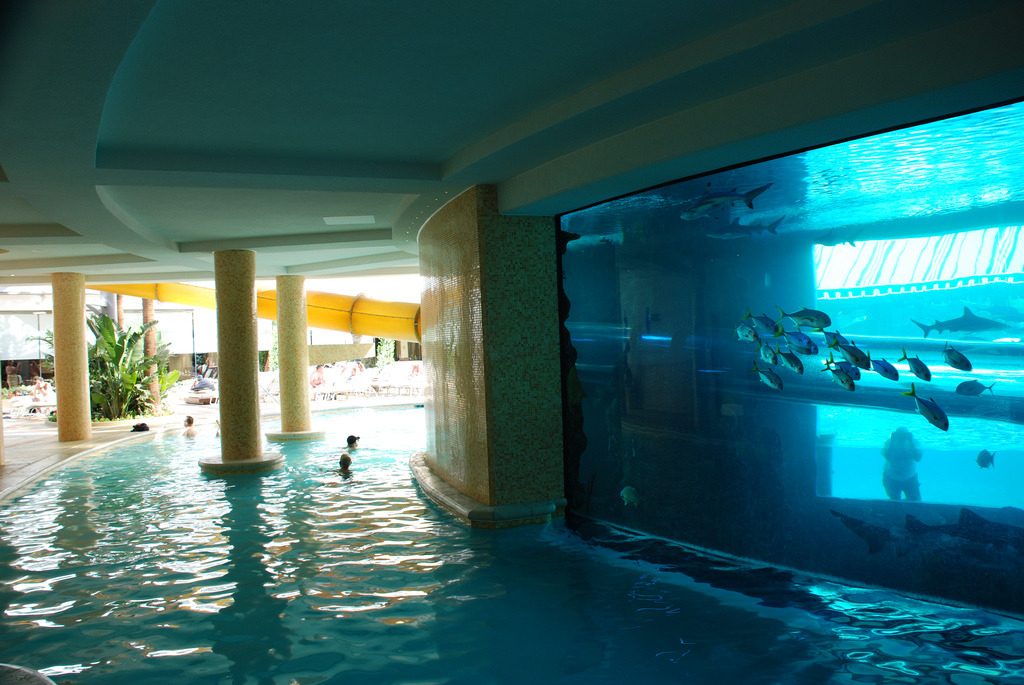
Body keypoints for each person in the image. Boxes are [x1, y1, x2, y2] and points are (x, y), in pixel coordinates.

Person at [881, 427, 922, 501]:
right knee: (894, 501)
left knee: (915, 500)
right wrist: (892, 441)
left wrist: (911, 442)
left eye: (904, 435)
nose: (901, 436)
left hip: (910, 477)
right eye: (899, 434)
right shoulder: (889, 442)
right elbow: (888, 457)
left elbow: (918, 458)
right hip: (891, 477)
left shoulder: (914, 443)